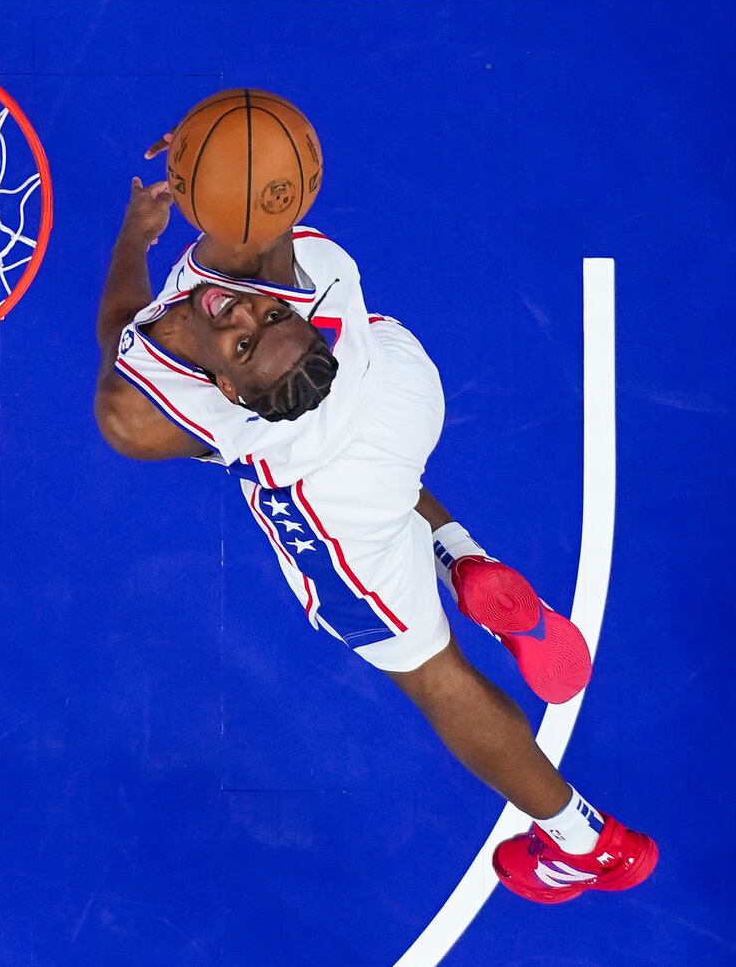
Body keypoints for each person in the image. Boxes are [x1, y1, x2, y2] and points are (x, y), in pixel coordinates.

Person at [92, 165, 658, 903]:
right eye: (255, 324)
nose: (240, 316)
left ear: (231, 393)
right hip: (400, 384)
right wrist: (217, 159)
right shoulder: (292, 267)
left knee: (430, 672)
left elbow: (118, 333)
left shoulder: (145, 415)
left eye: (252, 331)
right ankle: (462, 560)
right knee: (384, 478)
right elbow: (265, 176)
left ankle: (590, 843)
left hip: (343, 495)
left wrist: (136, 234)